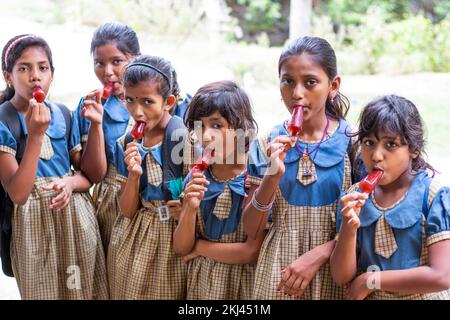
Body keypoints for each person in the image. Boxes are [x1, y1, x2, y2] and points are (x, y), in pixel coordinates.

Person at [0, 34, 107, 299]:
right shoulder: (4, 121)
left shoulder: (62, 114)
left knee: (82, 290)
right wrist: (35, 136)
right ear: (8, 77)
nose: (35, 76)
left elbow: (92, 175)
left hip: (75, 221)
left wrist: (95, 126)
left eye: (42, 67)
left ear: (51, 74)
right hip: (33, 227)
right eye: (24, 68)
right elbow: (18, 193)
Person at [330, 95, 450, 300]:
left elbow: (442, 275)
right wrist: (349, 229)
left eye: (391, 144)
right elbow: (341, 277)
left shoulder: (432, 197)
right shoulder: (354, 196)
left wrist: (370, 280)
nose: (376, 155)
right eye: (369, 143)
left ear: (413, 149)